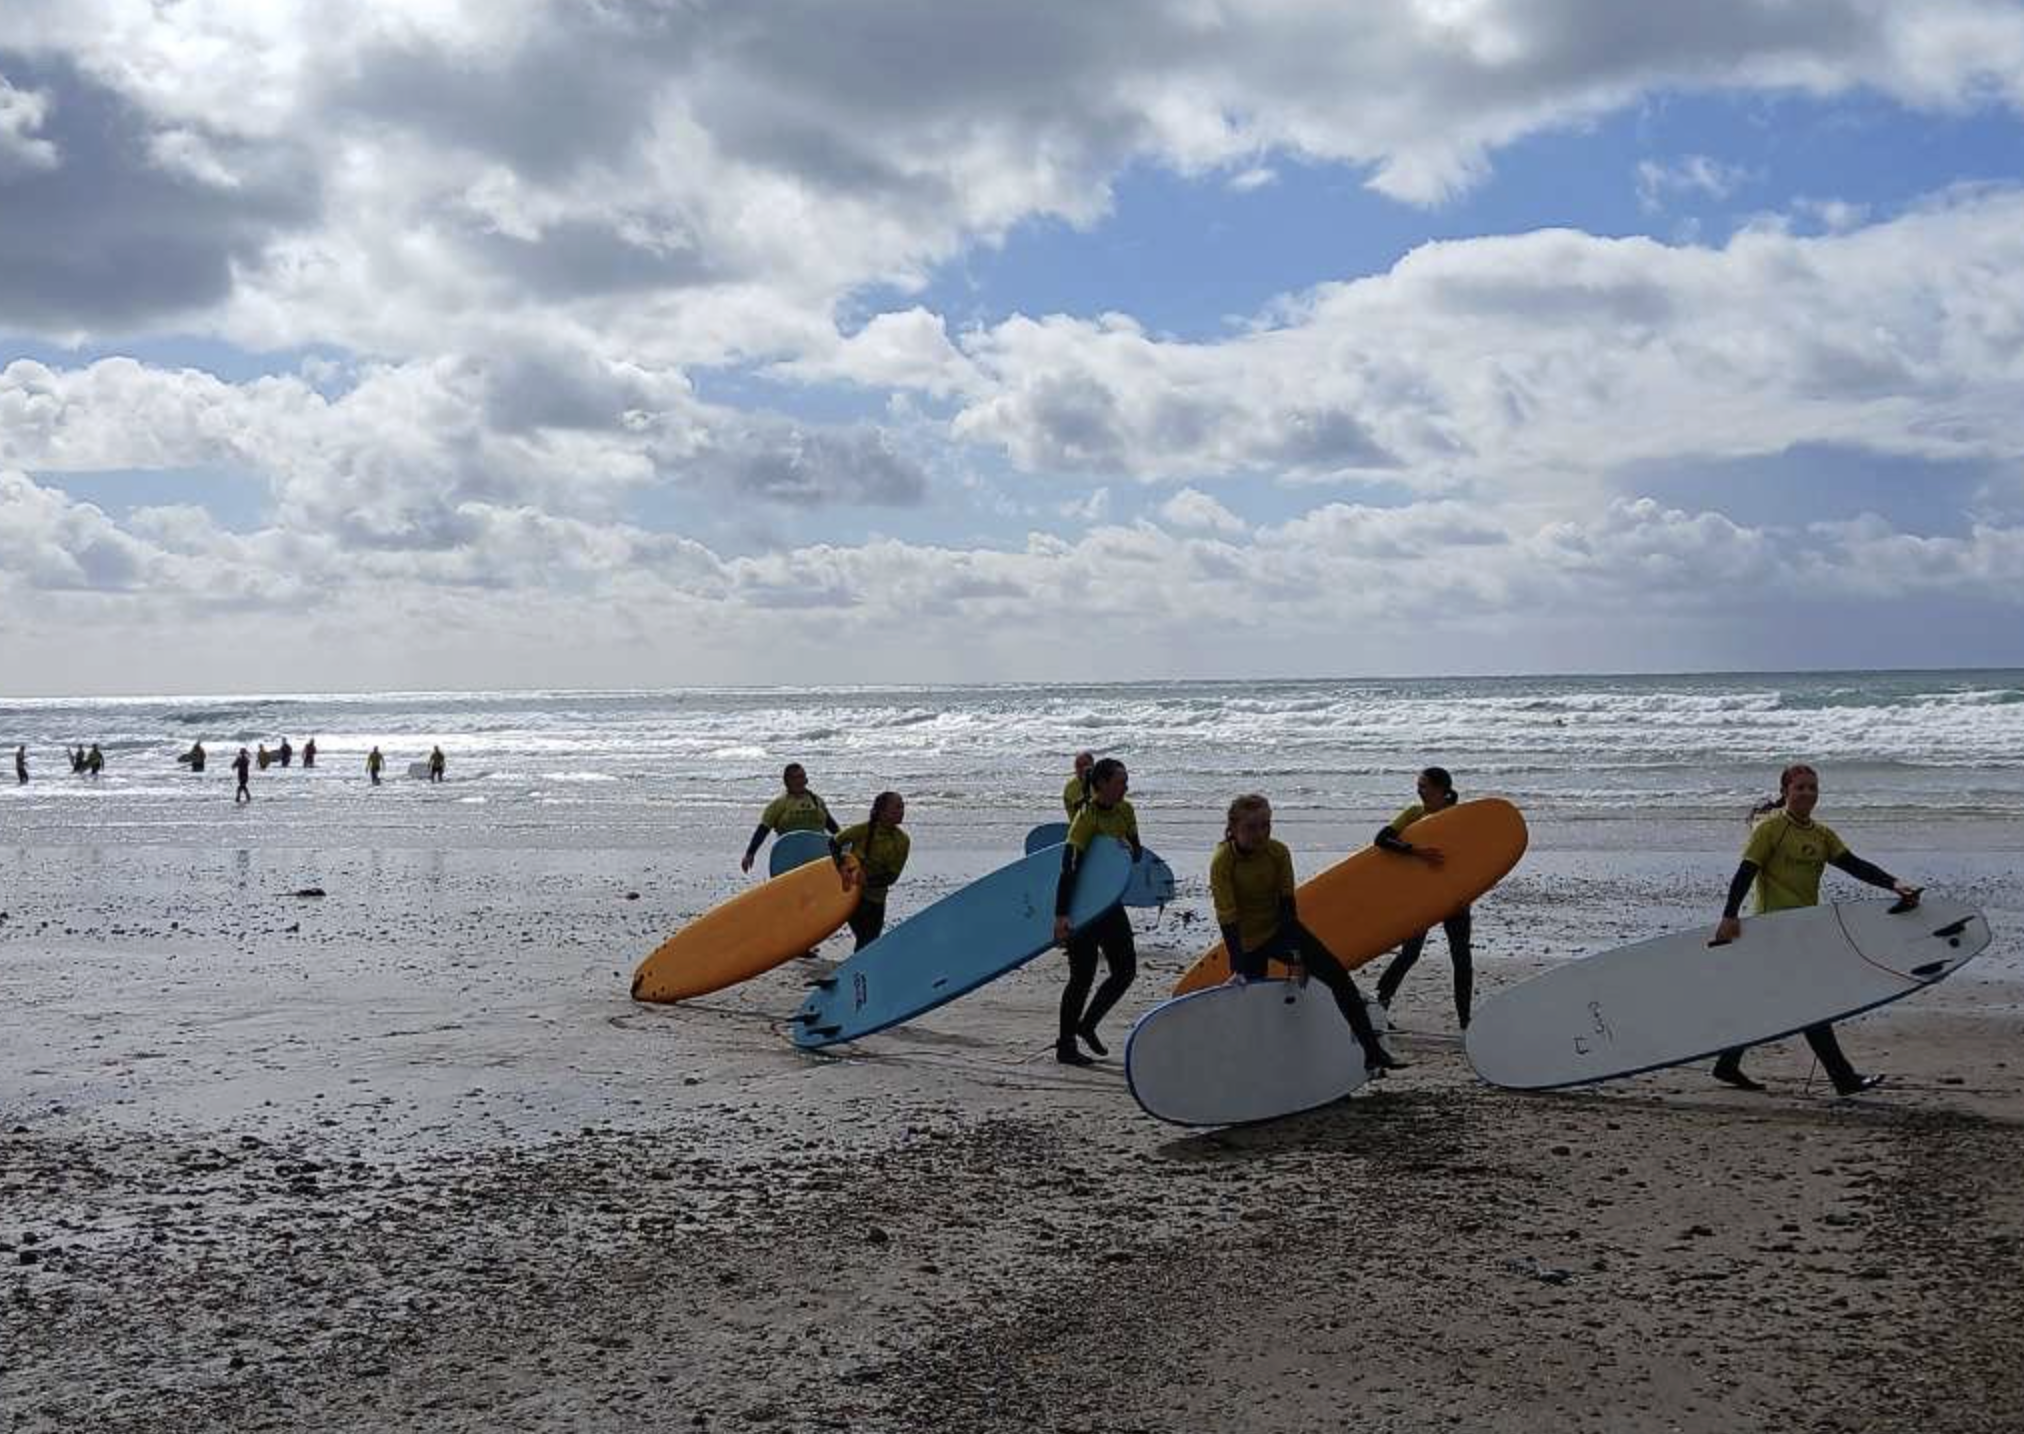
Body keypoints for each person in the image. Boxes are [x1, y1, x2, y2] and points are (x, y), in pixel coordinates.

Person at [1708, 763, 1919, 1096]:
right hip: (1771, 928)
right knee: (1809, 1002)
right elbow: (1746, 872)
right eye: (1800, 787)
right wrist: (1729, 916)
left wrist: (1894, 883)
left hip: (1802, 929)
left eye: (1812, 787)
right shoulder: (1770, 829)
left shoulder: (1821, 834)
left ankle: (1727, 1063)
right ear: (1785, 792)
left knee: (1764, 1000)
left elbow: (1854, 865)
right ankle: (1843, 1078)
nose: (1807, 793)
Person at [1211, 793, 1401, 1077]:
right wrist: (1237, 967)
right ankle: (1249, 1065)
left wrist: (1297, 958)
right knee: (1254, 1008)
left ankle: (1372, 1053)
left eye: (1266, 825)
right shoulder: (1223, 861)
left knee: (1338, 978)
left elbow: (1288, 908)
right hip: (1246, 942)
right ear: (1233, 828)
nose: (1261, 833)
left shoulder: (1277, 852)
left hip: (1279, 930)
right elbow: (1228, 917)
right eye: (1251, 827)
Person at [1050, 757, 1140, 1064]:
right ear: (1101, 784)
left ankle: (1087, 1024)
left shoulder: (1125, 811)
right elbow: (1069, 867)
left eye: (1126, 782)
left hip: (1109, 903)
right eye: (1120, 782)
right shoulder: (1085, 817)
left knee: (1125, 970)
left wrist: (1127, 847)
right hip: (1083, 907)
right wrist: (1062, 915)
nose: (1126, 787)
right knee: (1082, 977)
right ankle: (1065, 1046)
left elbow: (1137, 853)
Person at [1372, 766, 1474, 1028]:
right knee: (1410, 953)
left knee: (1461, 958)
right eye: (1419, 785)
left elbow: (1472, 857)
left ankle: (1466, 1021)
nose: (1419, 790)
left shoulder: (1459, 816)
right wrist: (1415, 851)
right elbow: (1382, 839)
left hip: (1454, 895)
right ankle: (1380, 1005)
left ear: (1441, 789)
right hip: (1422, 896)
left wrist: (1469, 891)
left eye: (1424, 786)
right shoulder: (1414, 814)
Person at [831, 792, 910, 950]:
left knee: (870, 942)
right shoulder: (862, 830)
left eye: (902, 807)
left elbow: (892, 876)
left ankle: (857, 964)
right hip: (853, 897)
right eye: (896, 807)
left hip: (876, 899)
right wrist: (841, 866)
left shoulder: (902, 840)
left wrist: (868, 880)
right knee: (865, 941)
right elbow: (834, 843)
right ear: (881, 811)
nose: (901, 811)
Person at [740, 763, 840, 872]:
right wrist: (750, 854)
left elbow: (832, 827)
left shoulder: (817, 801)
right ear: (786, 781)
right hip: (790, 857)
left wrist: (846, 844)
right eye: (795, 778)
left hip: (817, 855)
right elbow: (763, 830)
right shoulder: (779, 804)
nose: (799, 781)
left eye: (802, 777)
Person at [1062, 750, 1096, 820]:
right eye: (1078, 765)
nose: (1082, 768)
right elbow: (1081, 809)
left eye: (1085, 764)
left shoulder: (1100, 781)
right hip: (1080, 822)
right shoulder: (1071, 786)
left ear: (1093, 765)